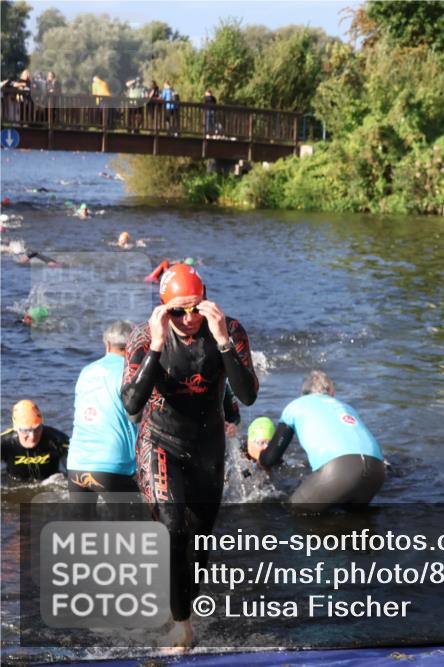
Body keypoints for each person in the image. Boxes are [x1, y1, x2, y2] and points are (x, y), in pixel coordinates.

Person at [121, 263, 258, 649]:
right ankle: (180, 624)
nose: (188, 318)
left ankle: (183, 613)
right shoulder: (144, 337)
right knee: (173, 528)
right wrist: (159, 344)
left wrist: (224, 343)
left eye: (195, 308)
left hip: (206, 449)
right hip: (160, 442)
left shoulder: (228, 331)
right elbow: (131, 401)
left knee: (198, 539)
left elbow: (247, 395)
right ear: (164, 309)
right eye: (178, 310)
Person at [249, 370, 385, 511]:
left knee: (293, 513)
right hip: (377, 471)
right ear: (331, 393)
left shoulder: (295, 406)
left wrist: (259, 462)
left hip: (339, 470)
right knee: (353, 522)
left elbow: (270, 458)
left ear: (303, 393)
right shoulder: (347, 407)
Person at [67, 321, 139, 500]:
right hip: (114, 464)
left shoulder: (86, 371)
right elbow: (136, 416)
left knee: (81, 527)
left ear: (107, 344)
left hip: (77, 463)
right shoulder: (131, 373)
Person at [1, 400, 69, 482]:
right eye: (25, 430)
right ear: (15, 427)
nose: (32, 436)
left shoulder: (57, 440)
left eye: (37, 429)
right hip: (14, 482)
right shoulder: (5, 442)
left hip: (51, 484)